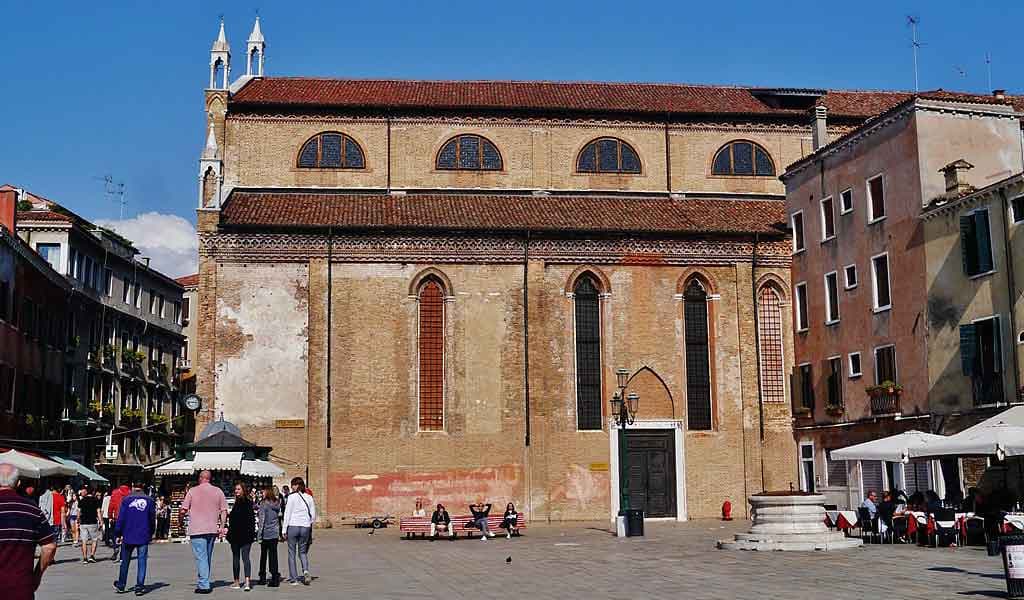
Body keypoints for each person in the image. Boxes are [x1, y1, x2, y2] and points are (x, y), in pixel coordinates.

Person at [0, 463, 57, 600]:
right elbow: (49, 547)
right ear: (18, 483)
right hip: (20, 587)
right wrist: (37, 576)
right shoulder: (32, 510)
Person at [179, 470, 228, 595]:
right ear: (210, 478)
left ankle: (204, 585)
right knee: (207, 557)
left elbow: (183, 510)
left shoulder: (192, 491)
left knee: (201, 557)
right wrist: (222, 527)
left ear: (200, 478)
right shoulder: (218, 491)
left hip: (197, 529)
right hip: (212, 529)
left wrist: (180, 521)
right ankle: (204, 580)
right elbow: (224, 511)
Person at [113, 481, 156, 596]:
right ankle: (139, 586)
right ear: (143, 487)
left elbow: (121, 518)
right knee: (142, 561)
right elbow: (152, 518)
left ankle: (121, 584)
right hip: (143, 534)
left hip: (128, 534)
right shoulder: (150, 500)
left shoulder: (126, 500)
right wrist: (151, 532)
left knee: (125, 561)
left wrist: (117, 533)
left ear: (133, 486)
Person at [282, 477, 315, 586]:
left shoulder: (291, 497)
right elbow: (313, 516)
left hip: (293, 526)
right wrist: (307, 523)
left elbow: (287, 514)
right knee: (303, 552)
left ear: (297, 485)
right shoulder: (309, 497)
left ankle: (294, 578)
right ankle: (305, 571)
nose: (291, 487)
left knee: (291, 552)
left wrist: (284, 529)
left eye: (293, 485)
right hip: (305, 527)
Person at [228, 482, 256, 591]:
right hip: (242, 535)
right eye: (236, 489)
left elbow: (249, 520)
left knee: (239, 558)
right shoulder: (244, 502)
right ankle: (246, 582)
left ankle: (238, 582)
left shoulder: (244, 503)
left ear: (243, 490)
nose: (236, 491)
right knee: (243, 558)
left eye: (239, 489)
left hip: (240, 535)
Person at [257, 485, 282, 587]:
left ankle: (262, 577)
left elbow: (262, 521)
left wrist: (259, 535)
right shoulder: (276, 503)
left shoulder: (264, 504)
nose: (261, 494)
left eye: (263, 492)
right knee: (273, 556)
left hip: (266, 533)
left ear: (267, 492)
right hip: (274, 533)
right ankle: (275, 577)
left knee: (263, 556)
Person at [78, 487, 103, 563]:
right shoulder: (96, 500)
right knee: (94, 540)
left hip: (83, 523)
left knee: (84, 541)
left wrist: (78, 520)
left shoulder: (82, 500)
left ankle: (85, 558)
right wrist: (101, 521)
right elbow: (98, 512)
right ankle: (92, 556)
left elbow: (79, 511)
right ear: (93, 492)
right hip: (93, 522)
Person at [110, 482, 130, 561]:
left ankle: (116, 547)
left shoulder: (115, 493)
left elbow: (111, 505)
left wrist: (110, 516)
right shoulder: (130, 494)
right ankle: (122, 555)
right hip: (127, 518)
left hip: (117, 517)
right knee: (125, 536)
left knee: (116, 534)